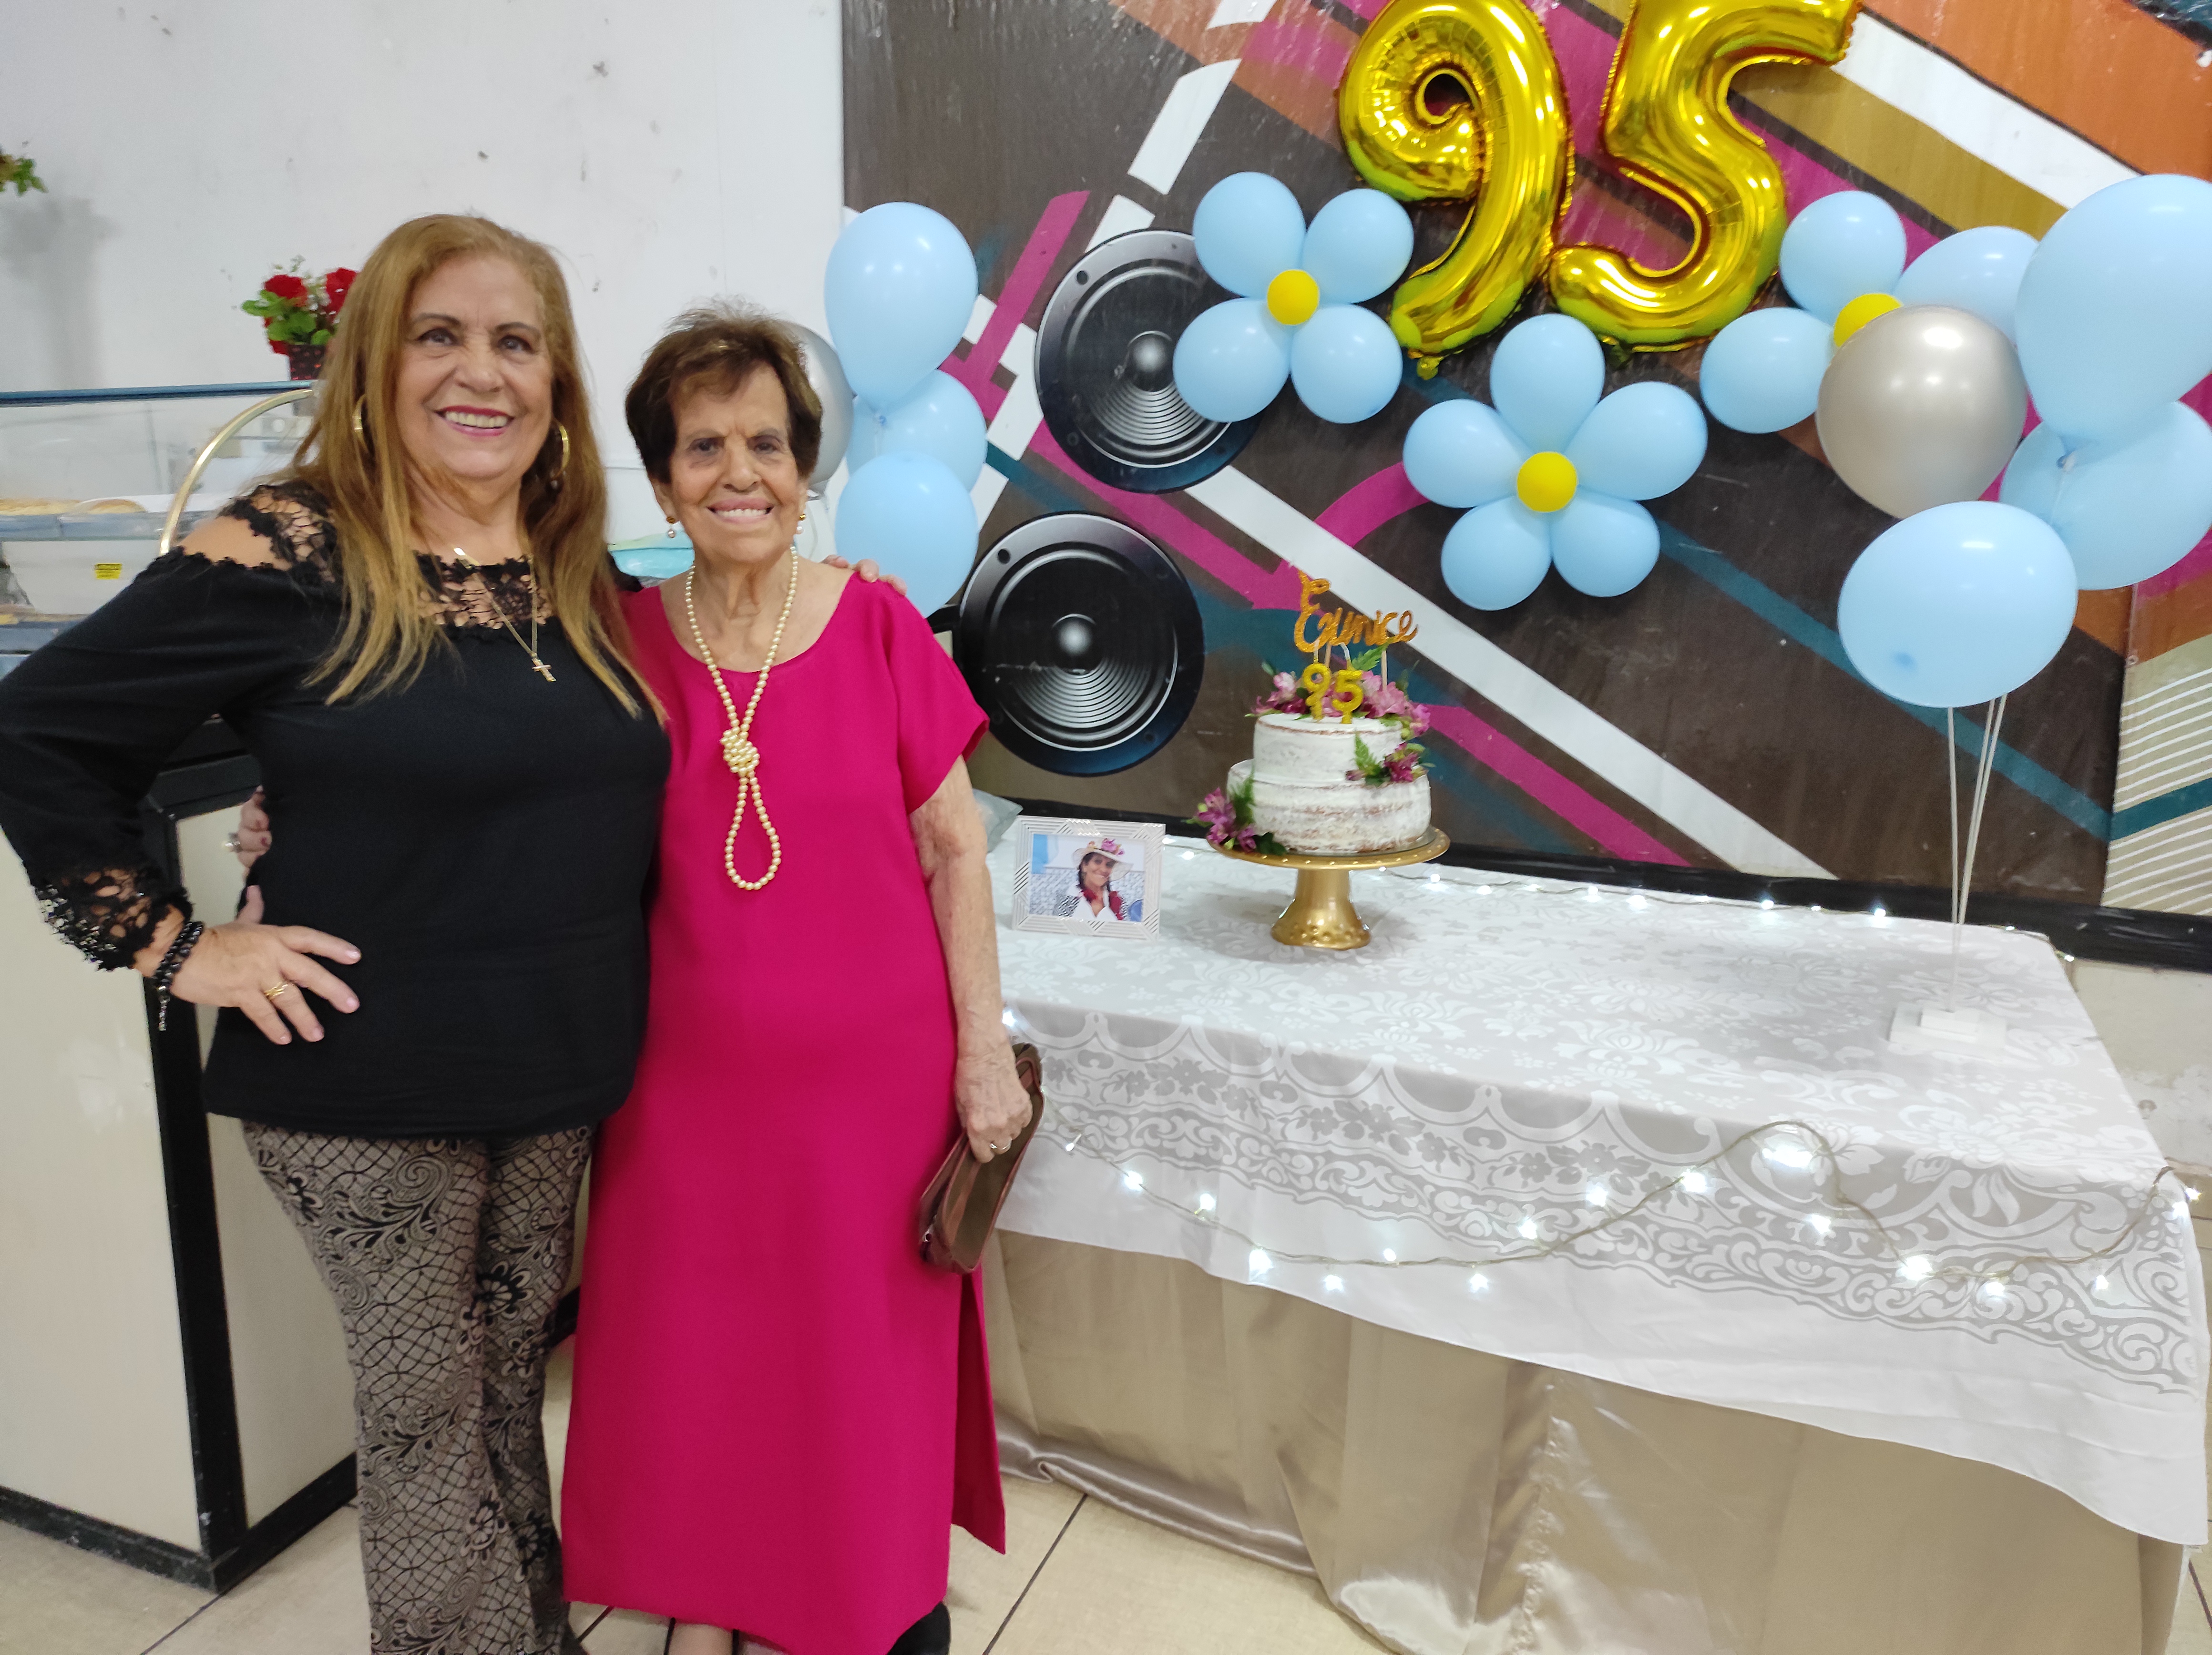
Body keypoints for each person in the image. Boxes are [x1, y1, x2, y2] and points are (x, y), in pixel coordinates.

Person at [0, 214, 670, 1655]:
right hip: (364, 1081)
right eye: (439, 335)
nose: (479, 371)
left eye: (515, 340)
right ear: (374, 362)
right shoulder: (292, 543)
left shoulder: (573, 565)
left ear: (555, 378)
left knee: (502, 1391)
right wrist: (179, 946)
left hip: (549, 1070)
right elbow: (37, 730)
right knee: (427, 1417)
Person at [555, 304, 1031, 1655]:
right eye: (703, 447)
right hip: (679, 1093)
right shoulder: (617, 644)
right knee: (694, 1363)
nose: (740, 474)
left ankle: (859, 1595)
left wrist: (980, 1054)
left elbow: (955, 852)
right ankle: (709, 1599)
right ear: (663, 483)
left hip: (873, 1097)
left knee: (853, 1366)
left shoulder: (878, 626)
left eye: (766, 443)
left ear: (805, 468)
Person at [1055, 839, 1128, 921]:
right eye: (1098, 862)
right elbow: (1058, 927)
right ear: (1084, 866)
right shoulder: (1067, 898)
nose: (1104, 869)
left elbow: (1126, 928)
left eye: (1109, 865)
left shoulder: (1119, 902)